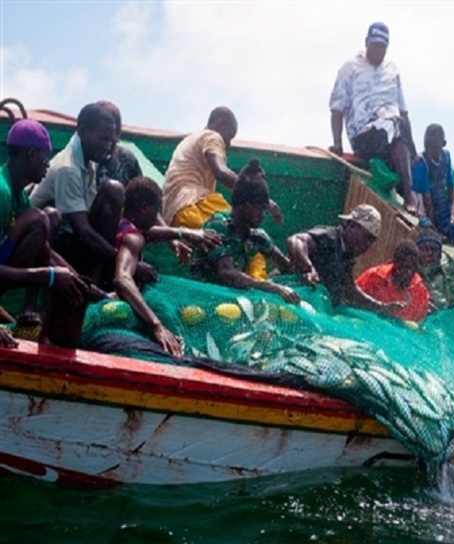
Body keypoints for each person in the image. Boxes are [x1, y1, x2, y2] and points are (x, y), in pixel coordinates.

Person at [29, 102, 143, 289]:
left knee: (113, 191)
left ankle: (96, 282)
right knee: (112, 192)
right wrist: (127, 262)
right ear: (82, 131)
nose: (108, 147)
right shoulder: (68, 168)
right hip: (48, 245)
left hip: (72, 236)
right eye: (103, 139)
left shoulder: (90, 159)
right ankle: (91, 288)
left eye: (111, 141)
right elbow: (82, 230)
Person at [0, 119, 90, 344]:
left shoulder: (19, 196)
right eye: (44, 156)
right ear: (30, 154)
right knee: (39, 219)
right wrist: (46, 277)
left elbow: (46, 252)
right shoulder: (1, 192)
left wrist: (83, 284)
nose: (48, 164)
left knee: (44, 219)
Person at [113, 177, 220, 356]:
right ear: (144, 208)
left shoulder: (120, 222)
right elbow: (122, 279)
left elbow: (147, 233)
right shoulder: (133, 238)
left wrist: (182, 233)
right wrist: (157, 326)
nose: (157, 216)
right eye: (157, 210)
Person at [329, 22, 418, 214]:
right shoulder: (350, 68)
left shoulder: (392, 69)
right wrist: (337, 142)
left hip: (393, 133)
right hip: (365, 135)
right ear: (366, 42)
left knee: (399, 129)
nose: (378, 50)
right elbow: (337, 109)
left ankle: (414, 202)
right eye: (375, 45)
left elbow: (403, 112)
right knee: (395, 126)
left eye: (382, 47)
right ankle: (410, 195)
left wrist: (414, 150)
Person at [190, 159, 299, 304]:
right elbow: (226, 273)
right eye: (258, 209)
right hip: (200, 304)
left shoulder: (257, 237)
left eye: (264, 210)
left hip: (231, 307)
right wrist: (274, 288)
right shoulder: (218, 225)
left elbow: (287, 268)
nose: (262, 215)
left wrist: (305, 272)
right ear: (242, 206)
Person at [161, 106, 281, 229]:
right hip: (193, 203)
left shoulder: (190, 140)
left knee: (221, 244)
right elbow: (221, 172)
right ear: (219, 123)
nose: (228, 144)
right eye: (229, 135)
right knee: (244, 237)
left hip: (175, 214)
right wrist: (260, 197)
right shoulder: (212, 136)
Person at [286, 203, 404, 314]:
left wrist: (381, 307)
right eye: (366, 237)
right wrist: (308, 269)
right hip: (287, 297)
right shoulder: (329, 238)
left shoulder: (347, 256)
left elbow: (350, 291)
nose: (368, 245)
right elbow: (296, 241)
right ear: (352, 226)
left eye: (371, 240)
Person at [356, 239, 430, 322]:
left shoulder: (421, 293)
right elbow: (353, 299)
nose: (407, 272)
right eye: (403, 267)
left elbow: (418, 326)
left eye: (411, 268)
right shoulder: (374, 276)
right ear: (394, 262)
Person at [412, 124, 454, 245]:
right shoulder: (421, 163)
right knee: (451, 231)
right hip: (430, 212)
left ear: (443, 143)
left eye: (434, 146)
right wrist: (436, 230)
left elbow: (452, 188)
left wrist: (453, 214)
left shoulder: (446, 156)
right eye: (427, 146)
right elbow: (427, 201)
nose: (430, 150)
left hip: (445, 208)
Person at [95, 100, 142, 187]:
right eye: (103, 136)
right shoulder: (85, 158)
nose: (106, 144)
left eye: (112, 132)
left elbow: (139, 192)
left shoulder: (127, 159)